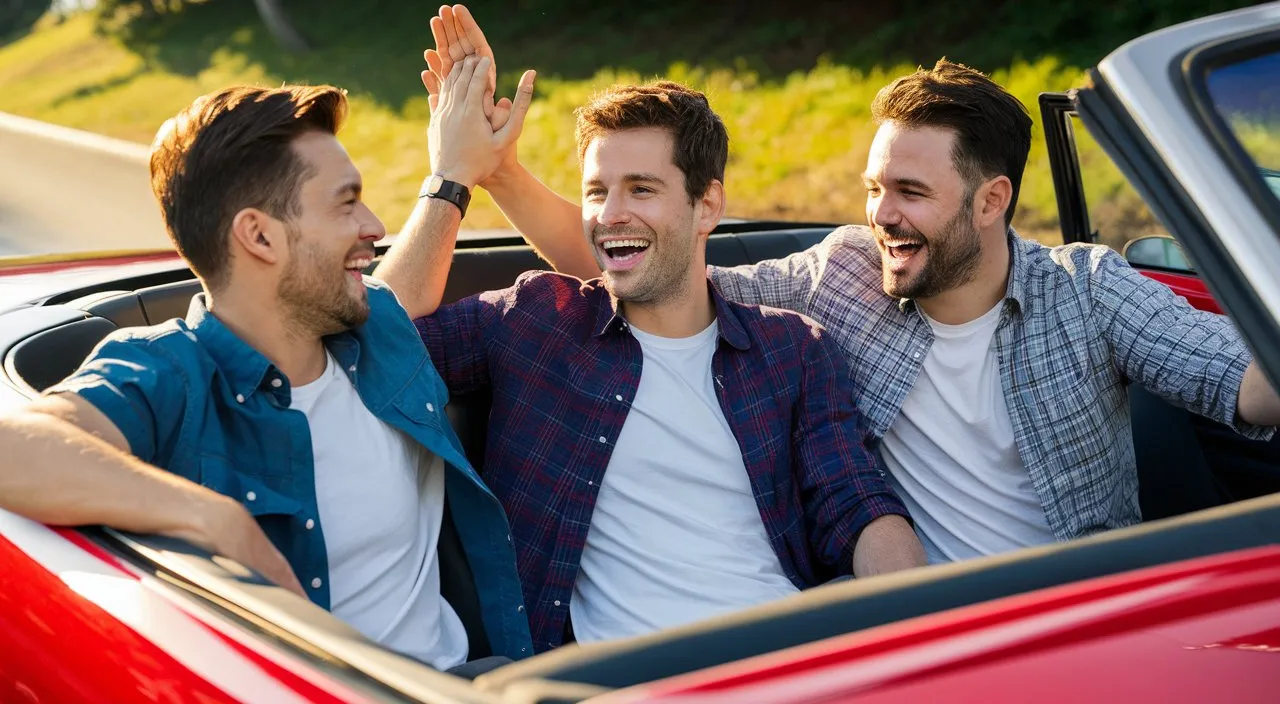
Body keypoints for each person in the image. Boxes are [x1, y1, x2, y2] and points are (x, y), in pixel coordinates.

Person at [422, 5, 1280, 564]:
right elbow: (656, 262)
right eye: (875, 189)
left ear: (992, 201)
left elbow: (1244, 382)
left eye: (910, 193)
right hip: (911, 629)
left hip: (1085, 621)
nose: (883, 216)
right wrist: (496, 174)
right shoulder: (839, 276)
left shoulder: (1089, 290)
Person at [0, 58, 538, 674]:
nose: (374, 225)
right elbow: (12, 446)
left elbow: (404, 283)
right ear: (259, 237)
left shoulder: (372, 324)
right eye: (346, 204)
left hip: (467, 680)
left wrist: (453, 174)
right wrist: (213, 520)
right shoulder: (171, 372)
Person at [378, 63, 926, 653]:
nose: (610, 213)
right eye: (596, 191)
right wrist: (452, 177)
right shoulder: (535, 319)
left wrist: (929, 632)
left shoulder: (793, 350)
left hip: (787, 659)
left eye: (641, 189)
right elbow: (372, 336)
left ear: (707, 206)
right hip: (623, 677)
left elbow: (856, 503)